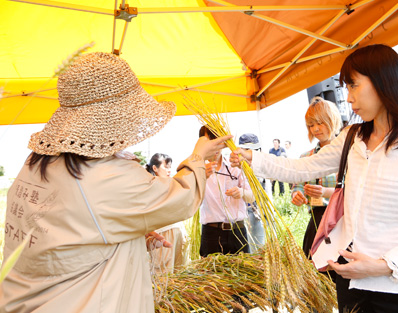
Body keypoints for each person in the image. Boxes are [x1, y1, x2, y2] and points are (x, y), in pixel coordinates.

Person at [230, 44, 398, 313]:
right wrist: (253, 158)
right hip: (353, 286)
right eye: (346, 89)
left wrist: (384, 264)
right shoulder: (353, 137)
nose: (349, 99)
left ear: (383, 81)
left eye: (353, 86)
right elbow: (303, 167)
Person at [0, 52, 231, 313]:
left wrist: (126, 235)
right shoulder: (104, 173)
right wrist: (198, 156)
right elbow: (182, 199)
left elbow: (71, 232)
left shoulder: (35, 164)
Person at [291, 96, 342, 264]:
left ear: (332, 120)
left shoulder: (348, 153)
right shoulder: (306, 157)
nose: (315, 129)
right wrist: (297, 195)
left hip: (342, 224)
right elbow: (297, 185)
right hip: (316, 220)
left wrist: (326, 192)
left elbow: (357, 190)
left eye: (319, 123)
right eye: (311, 125)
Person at [199, 126, 255, 257]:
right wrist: (201, 177)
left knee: (243, 274)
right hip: (211, 233)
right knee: (211, 276)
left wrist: (241, 192)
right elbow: (191, 202)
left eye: (218, 142)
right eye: (210, 143)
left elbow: (252, 196)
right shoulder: (197, 170)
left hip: (238, 231)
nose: (215, 147)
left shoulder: (235, 165)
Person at [145, 153, 189, 273]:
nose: (169, 170)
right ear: (155, 168)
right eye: (166, 167)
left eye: (170, 167)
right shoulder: (150, 185)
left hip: (178, 231)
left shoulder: (172, 184)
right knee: (164, 274)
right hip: (163, 233)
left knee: (179, 272)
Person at [238, 133, 266, 253]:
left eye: (255, 150)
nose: (252, 153)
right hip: (242, 213)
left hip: (258, 212)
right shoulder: (236, 167)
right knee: (246, 251)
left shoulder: (262, 166)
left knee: (259, 250)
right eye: (248, 150)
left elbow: (266, 191)